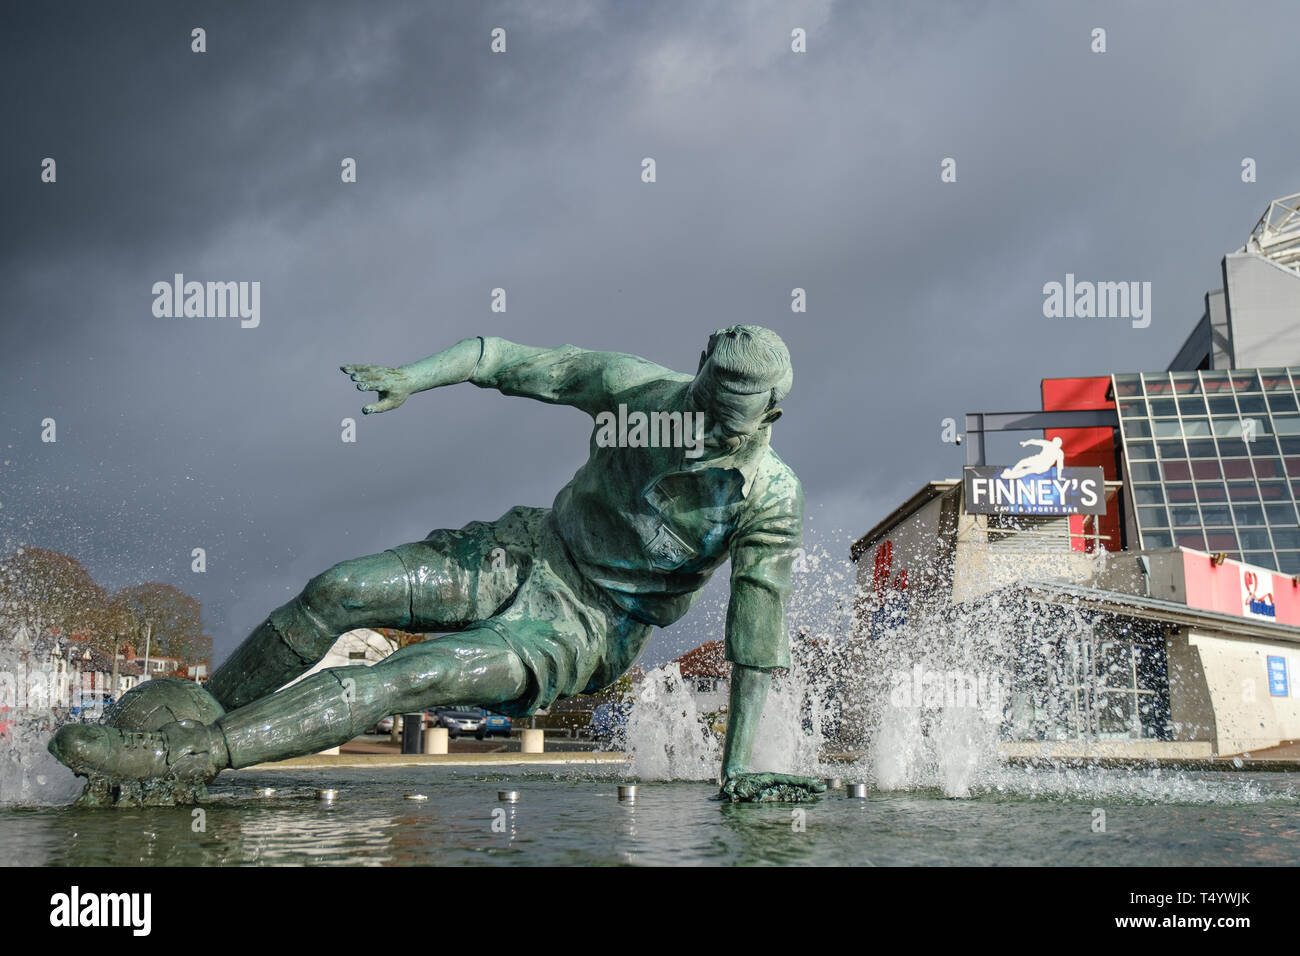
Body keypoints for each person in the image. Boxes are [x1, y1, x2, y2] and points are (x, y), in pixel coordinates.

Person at [50, 326, 824, 802]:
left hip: (588, 627)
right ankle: (209, 704)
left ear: (770, 414)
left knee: (406, 680)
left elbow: (754, 644)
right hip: (530, 547)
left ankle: (178, 759)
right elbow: (508, 359)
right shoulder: (639, 391)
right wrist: (412, 379)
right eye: (703, 398)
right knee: (339, 589)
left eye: (726, 420)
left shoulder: (769, 501)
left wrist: (738, 768)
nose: (702, 423)